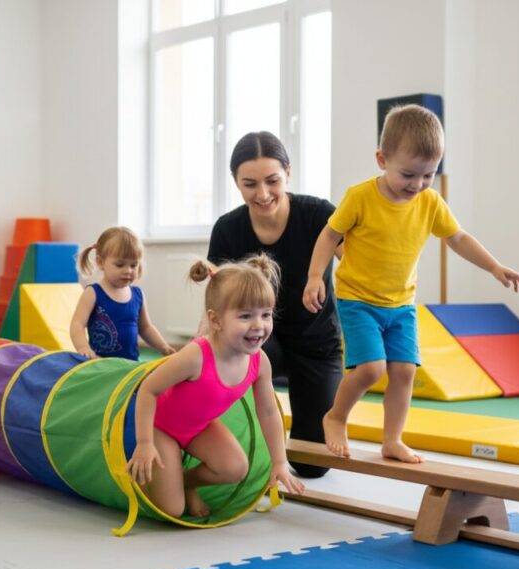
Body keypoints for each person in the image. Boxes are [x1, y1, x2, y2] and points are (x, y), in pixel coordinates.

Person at [303, 104, 519, 463]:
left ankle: (392, 439)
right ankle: (336, 417)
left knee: (405, 371)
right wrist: (316, 276)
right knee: (371, 369)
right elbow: (330, 235)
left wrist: (494, 267)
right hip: (358, 300)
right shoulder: (360, 197)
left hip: (401, 304)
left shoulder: (429, 202)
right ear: (382, 159)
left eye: (428, 175)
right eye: (408, 174)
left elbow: (458, 238)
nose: (418, 184)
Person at [127, 254, 304, 518]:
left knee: (235, 468)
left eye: (266, 314)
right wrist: (144, 442)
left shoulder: (259, 362)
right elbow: (148, 389)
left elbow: (268, 412)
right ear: (216, 320)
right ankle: (166, 484)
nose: (259, 325)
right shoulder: (196, 356)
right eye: (245, 316)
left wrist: (279, 462)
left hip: (198, 428)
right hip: (160, 428)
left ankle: (186, 482)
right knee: (172, 510)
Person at [208, 131, 343, 479]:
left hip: (316, 344)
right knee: (248, 450)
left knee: (312, 465)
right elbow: (217, 300)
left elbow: (359, 266)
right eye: (250, 184)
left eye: (272, 181)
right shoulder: (228, 229)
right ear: (235, 182)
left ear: (288, 173)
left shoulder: (318, 215)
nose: (263, 194)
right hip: (257, 341)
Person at [70, 226, 176, 361]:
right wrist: (83, 348)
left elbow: (146, 328)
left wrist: (163, 346)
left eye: (133, 265)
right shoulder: (93, 293)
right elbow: (77, 324)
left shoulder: (138, 295)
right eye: (120, 265)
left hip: (130, 365)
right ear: (100, 262)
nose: (128, 271)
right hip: (99, 363)